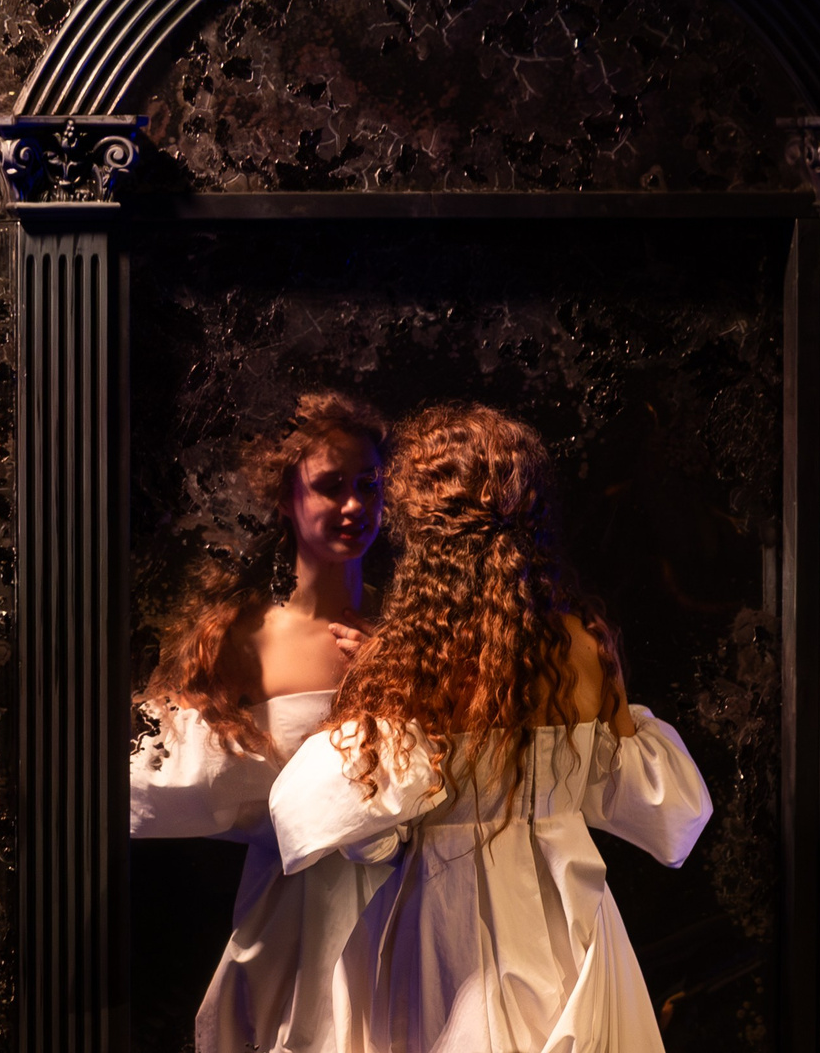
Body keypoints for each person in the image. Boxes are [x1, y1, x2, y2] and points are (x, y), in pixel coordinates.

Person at [269, 402, 714, 1053]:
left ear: (424, 530)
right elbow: (658, 804)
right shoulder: (580, 646)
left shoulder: (411, 664)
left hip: (442, 929)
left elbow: (341, 825)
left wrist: (375, 688)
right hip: (569, 918)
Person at [130, 390, 390, 1053]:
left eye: (368, 484)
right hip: (291, 919)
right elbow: (162, 775)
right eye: (331, 485)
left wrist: (397, 674)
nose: (355, 505)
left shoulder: (407, 632)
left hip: (402, 910)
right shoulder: (242, 641)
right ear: (286, 498)